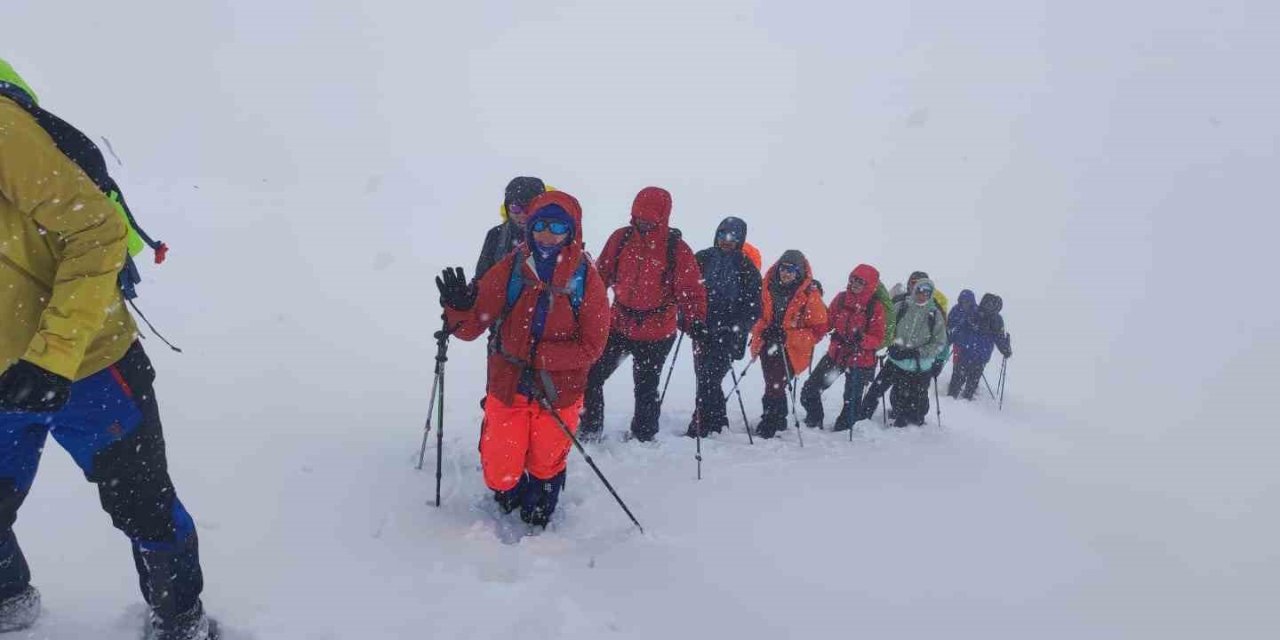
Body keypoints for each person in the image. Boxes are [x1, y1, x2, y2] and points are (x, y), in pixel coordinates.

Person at [0, 59, 215, 639]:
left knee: (142, 503)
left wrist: (52, 355)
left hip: (89, 366)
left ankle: (180, 621)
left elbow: (96, 230)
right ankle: (8, 600)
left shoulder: (1, 129)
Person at [437, 191, 609, 527]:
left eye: (557, 227)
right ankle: (509, 490)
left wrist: (540, 357)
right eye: (541, 225)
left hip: (559, 391)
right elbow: (471, 328)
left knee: (546, 463)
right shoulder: (513, 267)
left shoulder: (585, 277)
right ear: (529, 227)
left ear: (571, 231)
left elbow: (593, 345)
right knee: (501, 470)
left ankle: (542, 497)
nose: (547, 234)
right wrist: (458, 307)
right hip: (509, 384)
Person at [581, 187, 708, 442]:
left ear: (662, 217)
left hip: (657, 332)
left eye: (650, 219)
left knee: (646, 387)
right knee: (592, 375)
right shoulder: (621, 239)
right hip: (618, 324)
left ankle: (643, 435)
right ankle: (590, 429)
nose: (643, 223)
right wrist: (584, 305)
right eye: (639, 217)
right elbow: (600, 276)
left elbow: (691, 289)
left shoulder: (677, 249)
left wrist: (695, 319)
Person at [687, 217, 762, 437]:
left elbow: (753, 307)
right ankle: (718, 421)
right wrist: (692, 319)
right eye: (722, 234)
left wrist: (736, 327)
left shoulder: (747, 267)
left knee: (709, 377)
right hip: (702, 330)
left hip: (729, 335)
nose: (726, 240)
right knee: (704, 375)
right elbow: (687, 288)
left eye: (732, 236)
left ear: (740, 239)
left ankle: (700, 424)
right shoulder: (702, 258)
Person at [749, 251, 828, 439]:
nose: (786, 273)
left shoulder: (809, 294)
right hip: (767, 344)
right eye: (783, 268)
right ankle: (780, 419)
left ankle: (770, 421)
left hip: (792, 350)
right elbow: (755, 315)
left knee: (775, 385)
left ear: (799, 272)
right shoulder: (766, 287)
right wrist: (763, 329)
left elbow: (818, 330)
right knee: (773, 382)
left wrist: (787, 336)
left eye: (791, 270)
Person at [800, 264, 887, 431]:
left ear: (868, 285)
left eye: (860, 281)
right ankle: (814, 419)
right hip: (836, 355)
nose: (855, 283)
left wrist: (862, 339)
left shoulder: (875, 307)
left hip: (860, 360)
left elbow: (878, 338)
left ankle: (844, 432)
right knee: (810, 390)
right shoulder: (841, 299)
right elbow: (827, 321)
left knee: (851, 402)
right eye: (853, 279)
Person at [859, 278, 947, 427]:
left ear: (931, 294)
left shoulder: (935, 314)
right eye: (919, 290)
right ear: (914, 290)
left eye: (927, 292)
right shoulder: (901, 306)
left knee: (915, 405)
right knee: (875, 391)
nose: (922, 294)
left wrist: (917, 353)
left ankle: (909, 424)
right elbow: (887, 330)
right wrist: (891, 345)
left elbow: (939, 344)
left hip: (920, 367)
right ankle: (860, 418)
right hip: (896, 361)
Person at [474, 176, 547, 280]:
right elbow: (482, 280)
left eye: (529, 208)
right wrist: (465, 294)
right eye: (515, 208)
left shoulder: (556, 235)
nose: (522, 214)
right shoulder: (497, 235)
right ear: (507, 208)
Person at [948, 293, 1012, 400]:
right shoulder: (990, 318)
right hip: (976, 356)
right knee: (966, 383)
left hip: (970, 354)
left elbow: (959, 329)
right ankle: (960, 400)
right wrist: (1006, 349)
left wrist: (949, 340)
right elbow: (999, 339)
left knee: (961, 382)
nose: (988, 307)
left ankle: (955, 400)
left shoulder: (978, 315)